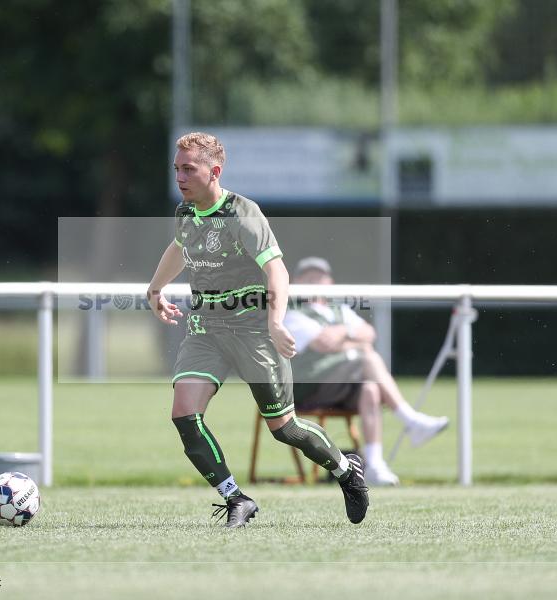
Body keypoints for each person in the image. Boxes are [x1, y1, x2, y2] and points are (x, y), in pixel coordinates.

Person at [147, 132, 369, 528]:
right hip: (205, 330)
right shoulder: (186, 213)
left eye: (189, 169)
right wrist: (155, 288)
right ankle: (236, 499)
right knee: (184, 412)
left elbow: (276, 269)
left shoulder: (242, 213)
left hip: (252, 331)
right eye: (176, 168)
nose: (179, 177)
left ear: (214, 171)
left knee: (284, 428)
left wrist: (276, 321)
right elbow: (179, 248)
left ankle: (345, 469)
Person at [284, 256, 449, 486]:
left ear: (329, 282)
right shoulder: (291, 311)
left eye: (320, 277)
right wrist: (352, 337)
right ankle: (410, 419)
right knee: (369, 357)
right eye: (308, 277)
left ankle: (375, 465)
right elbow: (324, 343)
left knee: (371, 389)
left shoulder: (338, 309)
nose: (315, 281)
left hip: (341, 385)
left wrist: (343, 335)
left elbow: (369, 333)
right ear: (297, 282)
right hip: (309, 388)